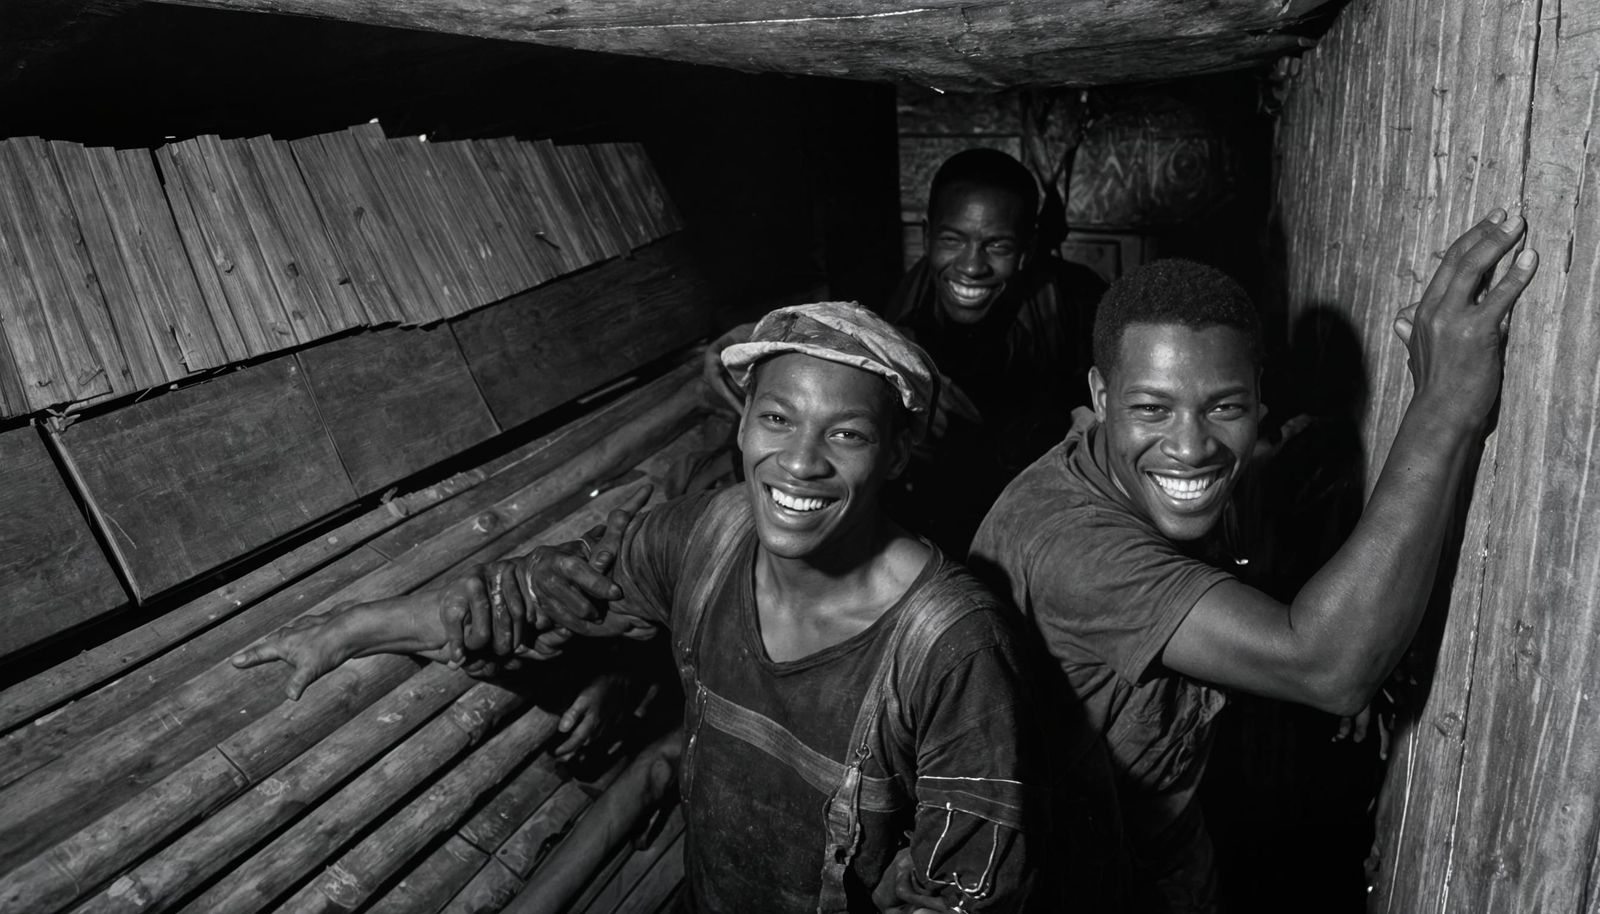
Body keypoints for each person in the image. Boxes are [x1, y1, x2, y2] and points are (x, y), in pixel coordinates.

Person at [236, 302, 1054, 913]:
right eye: (776, 419)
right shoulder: (705, 536)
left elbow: (966, 892)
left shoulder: (951, 647)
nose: (799, 461)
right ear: (741, 430)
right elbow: (540, 598)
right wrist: (352, 627)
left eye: (846, 435)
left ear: (898, 453)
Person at [967, 211, 1539, 912]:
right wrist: (1445, 403)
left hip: (1158, 853)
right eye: (1152, 409)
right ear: (1100, 396)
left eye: (1224, 407)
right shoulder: (1072, 546)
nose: (1192, 446)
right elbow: (1329, 668)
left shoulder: (1112, 467)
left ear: (1259, 398)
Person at [705, 149, 1104, 555]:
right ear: (927, 235)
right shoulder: (902, 303)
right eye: (952, 240)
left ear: (1027, 248)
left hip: (1039, 505)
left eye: (996, 246)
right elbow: (837, 339)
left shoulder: (1077, 304)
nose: (971, 266)